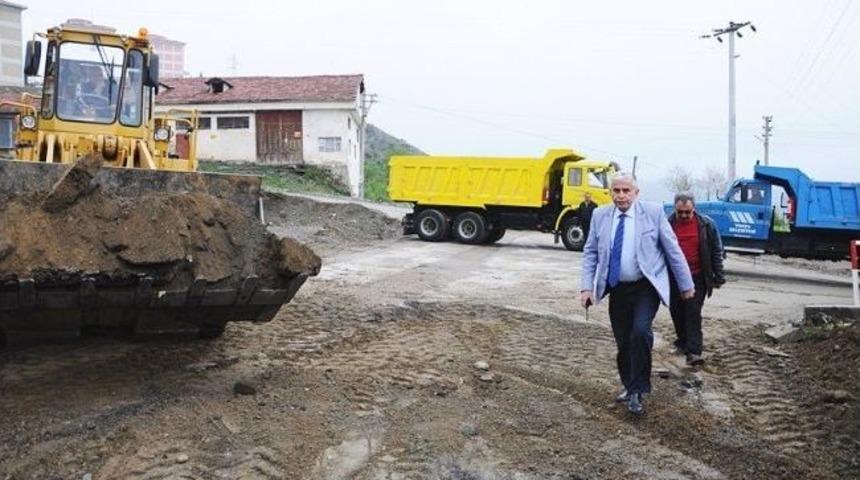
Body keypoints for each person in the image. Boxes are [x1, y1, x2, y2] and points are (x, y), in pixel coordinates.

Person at [580, 174, 694, 416]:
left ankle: (638, 391)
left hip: (645, 286)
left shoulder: (652, 213)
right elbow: (590, 252)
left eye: (626, 190)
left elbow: (672, 249)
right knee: (623, 341)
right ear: (611, 192)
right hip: (616, 287)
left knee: (640, 332)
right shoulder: (600, 215)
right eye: (616, 190)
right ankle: (628, 384)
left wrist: (686, 285)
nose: (621, 195)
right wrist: (587, 288)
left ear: (636, 192)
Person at [667, 193, 726, 366]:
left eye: (688, 212)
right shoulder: (667, 224)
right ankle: (683, 341)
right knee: (676, 311)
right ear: (674, 209)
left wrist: (719, 275)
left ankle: (694, 352)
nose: (684, 216)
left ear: (694, 209)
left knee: (692, 312)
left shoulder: (706, 225)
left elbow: (716, 250)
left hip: (697, 276)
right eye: (680, 212)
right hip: (673, 277)